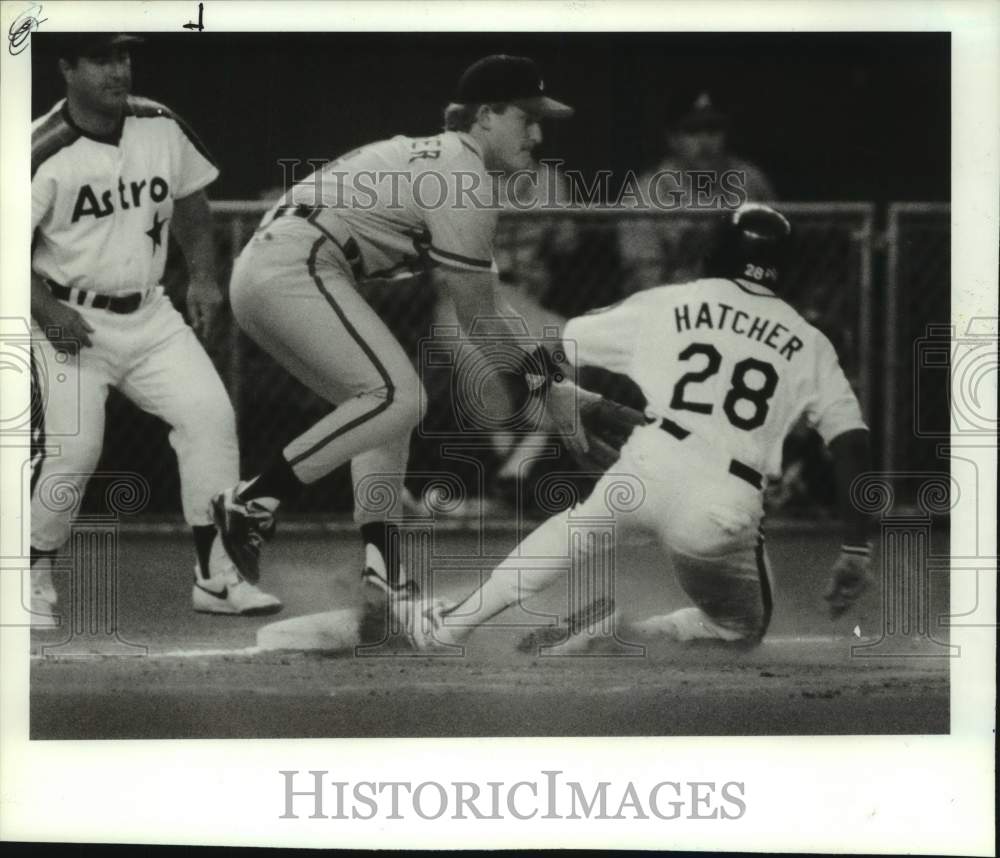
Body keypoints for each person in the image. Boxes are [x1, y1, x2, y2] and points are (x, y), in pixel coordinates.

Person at [410, 203, 874, 651]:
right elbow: (851, 441)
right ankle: (613, 634)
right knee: (739, 629)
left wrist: (554, 392)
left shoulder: (671, 301)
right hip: (723, 503)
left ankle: (453, 626)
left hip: (648, 463)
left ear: (713, 254)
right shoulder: (810, 342)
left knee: (573, 531)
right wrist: (857, 545)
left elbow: (559, 345)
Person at [212, 55, 580, 602]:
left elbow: (493, 310)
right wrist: (550, 387)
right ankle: (253, 500)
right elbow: (480, 320)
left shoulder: (450, 162)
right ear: (485, 116)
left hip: (279, 267)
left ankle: (383, 568)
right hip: (296, 264)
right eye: (525, 118)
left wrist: (554, 380)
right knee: (398, 396)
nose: (537, 133)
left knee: (384, 408)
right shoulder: (464, 178)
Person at [29, 33, 282, 624]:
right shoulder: (39, 149)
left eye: (123, 56)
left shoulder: (160, 123)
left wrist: (202, 278)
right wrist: (44, 310)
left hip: (150, 312)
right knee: (75, 449)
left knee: (210, 420)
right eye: (100, 58)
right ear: (66, 67)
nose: (119, 69)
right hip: (66, 316)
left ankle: (218, 578)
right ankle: (27, 574)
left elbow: (192, 196)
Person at [621, 92, 777, 291]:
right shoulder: (645, 192)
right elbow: (646, 280)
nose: (704, 141)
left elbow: (776, 255)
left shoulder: (750, 180)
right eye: (692, 131)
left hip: (743, 301)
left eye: (713, 130)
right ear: (672, 139)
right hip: (671, 305)